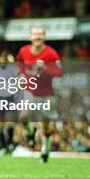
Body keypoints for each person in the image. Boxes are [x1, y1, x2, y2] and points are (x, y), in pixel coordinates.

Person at [16, 27, 63, 163]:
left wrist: (46, 68)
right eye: (35, 34)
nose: (38, 36)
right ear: (31, 37)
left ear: (44, 37)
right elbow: (19, 63)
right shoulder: (24, 51)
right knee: (24, 116)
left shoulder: (51, 54)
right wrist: (22, 75)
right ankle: (30, 135)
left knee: (45, 126)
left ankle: (45, 152)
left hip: (47, 94)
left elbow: (59, 72)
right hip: (30, 90)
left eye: (40, 34)